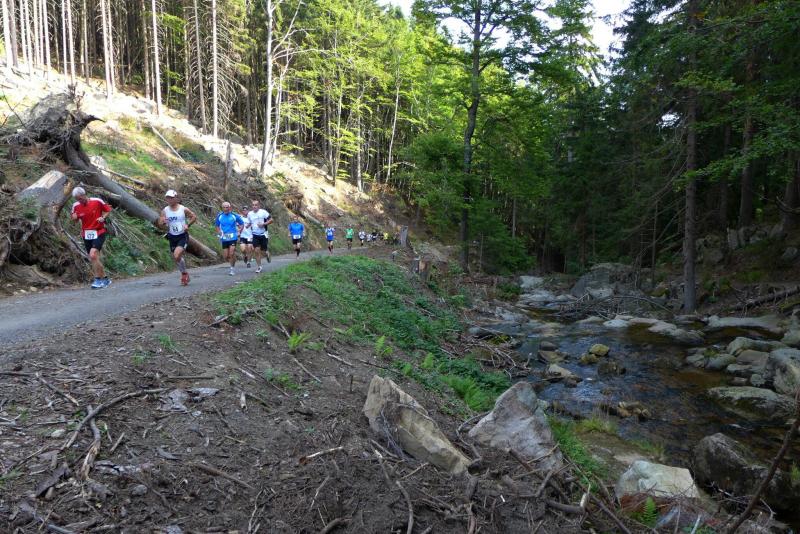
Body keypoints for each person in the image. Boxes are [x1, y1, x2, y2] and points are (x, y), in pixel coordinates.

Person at [71, 187, 112, 289]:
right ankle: (105, 279)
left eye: (80, 198)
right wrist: (74, 218)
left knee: (93, 254)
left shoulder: (97, 201)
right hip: (86, 234)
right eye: (77, 199)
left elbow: (107, 210)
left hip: (99, 232)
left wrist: (103, 217)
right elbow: (75, 219)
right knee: (94, 257)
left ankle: (97, 280)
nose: (79, 201)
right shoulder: (76, 206)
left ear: (84, 194)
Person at [158, 190, 197, 286]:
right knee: (177, 258)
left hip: (182, 235)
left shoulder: (183, 209)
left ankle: (184, 274)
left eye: (171, 198)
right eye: (167, 198)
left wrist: (188, 225)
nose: (169, 200)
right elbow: (160, 223)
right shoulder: (165, 210)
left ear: (176, 198)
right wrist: (163, 222)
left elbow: (193, 217)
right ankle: (184, 273)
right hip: (172, 236)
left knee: (176, 255)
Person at [215, 202, 245, 275]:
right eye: (224, 207)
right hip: (224, 237)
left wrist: (239, 232)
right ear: (222, 208)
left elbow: (242, 224)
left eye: (227, 207)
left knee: (231, 253)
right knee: (226, 256)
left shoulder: (234, 215)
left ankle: (232, 269)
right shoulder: (219, 216)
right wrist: (219, 232)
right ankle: (234, 259)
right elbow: (217, 225)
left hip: (233, 237)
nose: (226, 209)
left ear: (230, 208)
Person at [247, 200, 273, 273]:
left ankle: (267, 254)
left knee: (263, 251)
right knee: (256, 251)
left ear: (259, 206)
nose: (254, 206)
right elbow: (250, 222)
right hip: (255, 235)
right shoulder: (249, 214)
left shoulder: (263, 212)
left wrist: (263, 224)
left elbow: (271, 220)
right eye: (253, 205)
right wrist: (246, 226)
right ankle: (259, 267)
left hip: (263, 234)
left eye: (256, 205)